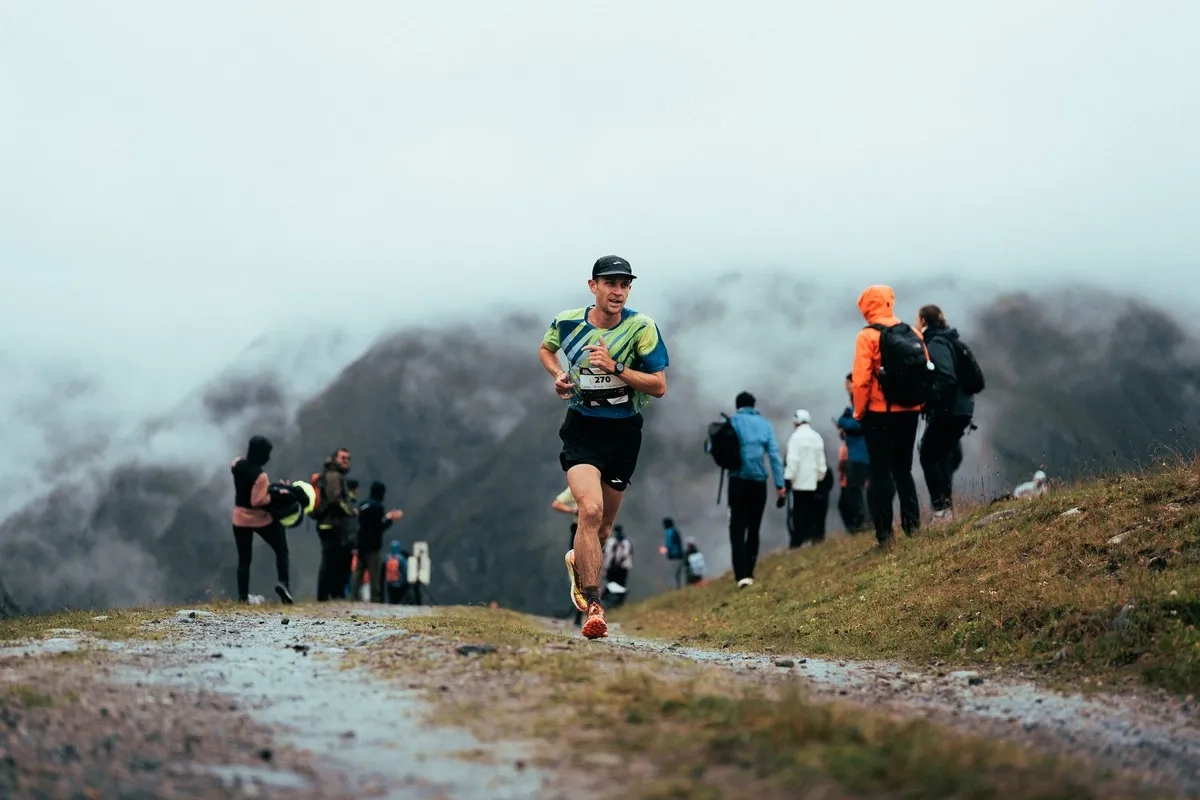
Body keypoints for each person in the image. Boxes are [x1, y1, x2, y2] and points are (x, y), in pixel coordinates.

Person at [539, 255, 669, 639]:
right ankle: (594, 607)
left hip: (625, 432)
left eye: (625, 285)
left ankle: (579, 561)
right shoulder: (568, 322)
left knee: (604, 527)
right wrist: (558, 374)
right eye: (610, 283)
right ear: (592, 285)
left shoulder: (642, 328)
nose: (618, 292)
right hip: (582, 428)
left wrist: (616, 368)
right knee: (590, 510)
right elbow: (546, 349)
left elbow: (659, 386)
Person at [852, 285, 929, 548]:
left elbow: (861, 381)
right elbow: (925, 371)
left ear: (866, 306)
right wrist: (919, 404)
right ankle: (913, 527)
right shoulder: (912, 332)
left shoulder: (868, 336)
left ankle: (885, 534)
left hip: (879, 413)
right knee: (904, 470)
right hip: (910, 412)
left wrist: (860, 411)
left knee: (881, 473)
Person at [916, 305, 976, 522]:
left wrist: (927, 401)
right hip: (963, 409)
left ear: (923, 321)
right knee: (942, 456)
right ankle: (945, 509)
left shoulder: (936, 342)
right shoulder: (950, 338)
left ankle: (942, 511)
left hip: (948, 409)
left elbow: (946, 377)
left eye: (917, 320)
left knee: (928, 455)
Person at [724, 392, 786, 587]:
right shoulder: (765, 425)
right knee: (754, 527)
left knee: (736, 528)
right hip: (759, 482)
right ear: (754, 405)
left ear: (737, 406)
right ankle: (750, 572)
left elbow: (712, 447)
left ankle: (740, 575)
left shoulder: (731, 422)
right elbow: (774, 456)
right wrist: (780, 485)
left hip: (737, 480)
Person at [230, 435, 293, 604]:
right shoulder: (260, 475)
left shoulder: (237, 466)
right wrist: (278, 494)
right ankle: (284, 583)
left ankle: (242, 596)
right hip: (259, 519)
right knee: (281, 548)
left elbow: (236, 463)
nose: (268, 458)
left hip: (239, 518)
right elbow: (257, 501)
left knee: (244, 559)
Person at [316, 447, 358, 601]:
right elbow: (335, 500)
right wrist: (351, 511)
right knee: (331, 560)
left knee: (335, 560)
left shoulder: (334, 474)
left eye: (348, 458)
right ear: (335, 459)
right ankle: (324, 595)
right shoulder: (333, 475)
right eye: (343, 458)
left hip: (331, 523)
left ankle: (331, 593)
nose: (346, 461)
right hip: (330, 524)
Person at [784, 410, 828, 547]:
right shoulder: (816, 437)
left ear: (795, 422)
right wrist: (820, 476)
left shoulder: (795, 438)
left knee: (798, 512)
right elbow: (821, 461)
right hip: (814, 482)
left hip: (799, 483)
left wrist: (788, 478)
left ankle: (799, 541)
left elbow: (793, 460)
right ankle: (811, 538)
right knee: (811, 511)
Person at [354, 481, 403, 603]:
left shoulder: (363, 505)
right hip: (373, 545)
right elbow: (379, 527)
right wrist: (389, 519)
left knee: (358, 573)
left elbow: (364, 522)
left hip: (361, 543)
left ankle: (354, 597)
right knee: (374, 574)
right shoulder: (378, 507)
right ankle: (375, 599)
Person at [836, 373, 871, 533]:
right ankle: (863, 523)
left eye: (848, 383)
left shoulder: (861, 400)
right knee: (856, 491)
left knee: (855, 491)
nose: (846, 387)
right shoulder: (855, 401)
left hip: (860, 456)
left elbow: (857, 423)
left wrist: (843, 421)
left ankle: (863, 523)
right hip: (860, 455)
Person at [602, 524, 633, 607]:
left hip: (619, 568)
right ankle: (613, 603)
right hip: (617, 568)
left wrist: (606, 567)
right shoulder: (623, 542)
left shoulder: (623, 543)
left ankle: (615, 603)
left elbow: (608, 556)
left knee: (617, 586)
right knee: (615, 585)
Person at [661, 517, 686, 588]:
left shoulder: (669, 532)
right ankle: (679, 586)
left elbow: (669, 545)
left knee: (672, 573)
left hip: (674, 556)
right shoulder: (676, 530)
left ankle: (673, 588)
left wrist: (664, 550)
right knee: (678, 573)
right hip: (680, 555)